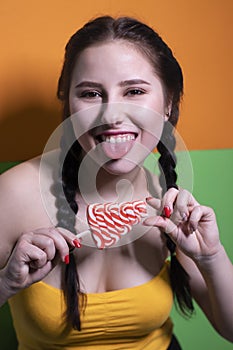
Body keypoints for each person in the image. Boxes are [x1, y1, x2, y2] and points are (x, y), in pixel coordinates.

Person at [0, 15, 232, 350]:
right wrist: (7, 283)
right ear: (69, 106)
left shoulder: (166, 202)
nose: (111, 115)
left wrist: (211, 256)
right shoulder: (14, 194)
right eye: (91, 93)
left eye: (134, 91)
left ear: (168, 104)